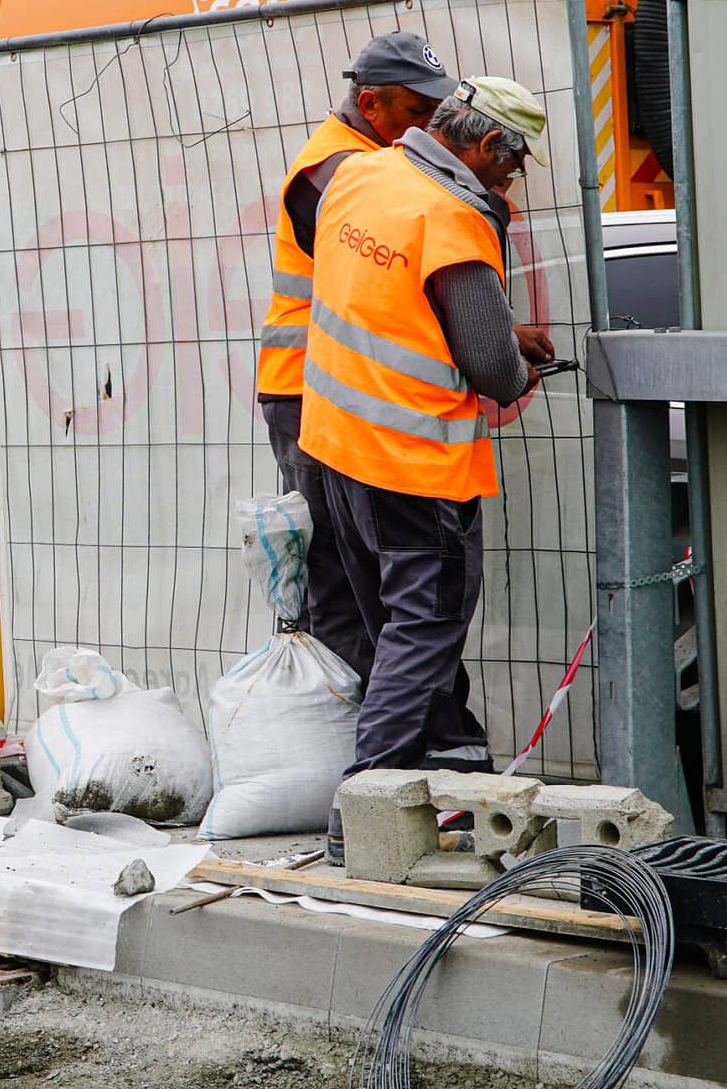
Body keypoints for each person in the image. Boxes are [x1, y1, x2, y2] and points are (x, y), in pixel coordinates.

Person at [297, 77, 555, 864]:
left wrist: (492, 327)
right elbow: (493, 372)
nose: (504, 184)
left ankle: (453, 771)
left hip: (337, 441)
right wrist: (512, 361)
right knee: (427, 621)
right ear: (481, 148)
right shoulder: (451, 215)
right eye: (507, 170)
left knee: (396, 621)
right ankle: (364, 803)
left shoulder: (364, 174)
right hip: (412, 460)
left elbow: (389, 296)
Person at [256, 31, 454, 683]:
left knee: (362, 568)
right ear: (371, 104)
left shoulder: (370, 161)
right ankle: (360, 740)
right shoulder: (334, 172)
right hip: (307, 391)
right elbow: (388, 279)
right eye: (415, 114)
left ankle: (379, 734)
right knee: (338, 574)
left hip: (334, 388)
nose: (430, 127)